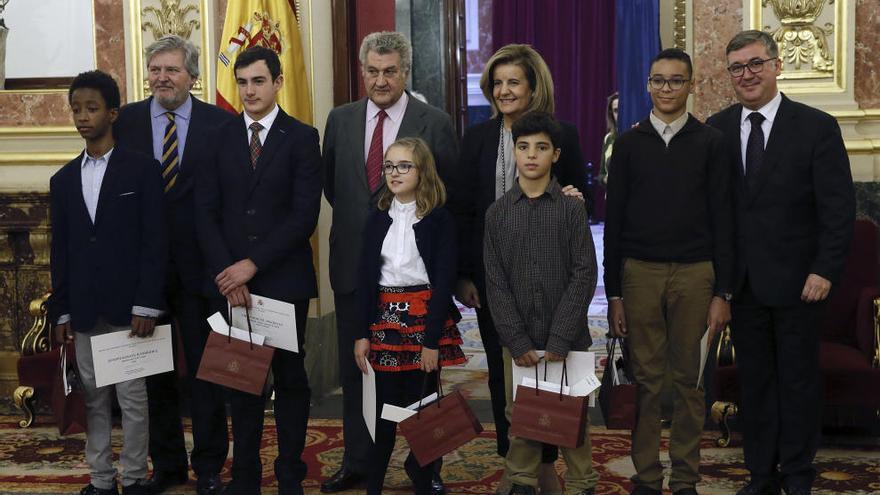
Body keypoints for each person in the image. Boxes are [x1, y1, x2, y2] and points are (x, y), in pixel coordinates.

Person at [706, 30, 855, 495]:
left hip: (799, 284)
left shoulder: (816, 126)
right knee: (756, 385)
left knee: (796, 384)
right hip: (743, 286)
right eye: (736, 67)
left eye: (754, 64)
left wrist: (824, 269)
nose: (746, 75)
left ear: (776, 65)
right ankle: (761, 474)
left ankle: (796, 474)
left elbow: (838, 209)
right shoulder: (716, 128)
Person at [321, 31, 459, 494]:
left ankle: (426, 468)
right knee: (358, 374)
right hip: (356, 273)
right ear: (362, 72)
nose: (381, 80)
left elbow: (447, 194)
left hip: (415, 282)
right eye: (373, 71)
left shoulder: (433, 121)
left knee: (420, 381)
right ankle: (359, 462)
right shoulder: (339, 120)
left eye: (391, 71)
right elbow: (335, 187)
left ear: (405, 72)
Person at [455, 43, 587, 492]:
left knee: (550, 373)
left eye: (514, 82)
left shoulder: (562, 133)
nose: (504, 90)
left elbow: (575, 195)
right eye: (497, 83)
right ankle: (516, 465)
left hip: (550, 278)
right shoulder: (475, 138)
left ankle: (545, 466)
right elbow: (464, 211)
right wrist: (464, 275)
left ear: (533, 87)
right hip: (493, 280)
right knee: (503, 370)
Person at [604, 48, 734, 495]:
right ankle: (646, 476)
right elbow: (613, 223)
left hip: (697, 273)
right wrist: (614, 292)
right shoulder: (628, 144)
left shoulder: (711, 142)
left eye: (675, 81)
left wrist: (724, 292)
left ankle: (684, 479)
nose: (665, 89)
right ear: (647, 85)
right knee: (646, 381)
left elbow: (725, 219)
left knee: (690, 382)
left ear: (690, 85)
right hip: (640, 272)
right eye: (657, 80)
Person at [195, 45, 322, 495]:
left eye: (258, 81)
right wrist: (229, 274)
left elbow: (303, 216)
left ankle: (290, 474)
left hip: (282, 280)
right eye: (243, 81)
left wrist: (253, 264)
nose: (249, 90)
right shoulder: (218, 137)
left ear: (278, 82)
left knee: (290, 381)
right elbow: (205, 212)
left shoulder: (302, 137)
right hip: (231, 285)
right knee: (240, 381)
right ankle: (244, 475)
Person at [113, 34, 235, 495]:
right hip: (144, 274)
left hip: (203, 272)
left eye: (172, 70)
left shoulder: (220, 124)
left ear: (193, 75)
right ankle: (166, 466)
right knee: (154, 374)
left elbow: (227, 199)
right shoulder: (123, 122)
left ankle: (207, 467)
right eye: (155, 69)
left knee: (208, 373)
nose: (162, 78)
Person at [49, 70, 167, 495]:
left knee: (133, 399)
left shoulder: (141, 170)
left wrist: (147, 305)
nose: (82, 117)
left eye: (92, 108)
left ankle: (134, 478)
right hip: (83, 308)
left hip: (129, 310)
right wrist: (59, 309)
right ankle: (100, 480)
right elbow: (59, 252)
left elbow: (155, 242)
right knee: (94, 399)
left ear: (113, 113)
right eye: (76, 109)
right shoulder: (62, 180)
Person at [483, 111, 599, 495]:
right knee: (520, 413)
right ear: (514, 151)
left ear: (556, 154)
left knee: (573, 414)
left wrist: (561, 336)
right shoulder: (498, 214)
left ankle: (583, 483)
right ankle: (520, 482)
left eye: (541, 148)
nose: (531, 155)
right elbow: (495, 283)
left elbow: (584, 273)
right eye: (523, 146)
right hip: (520, 340)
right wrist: (515, 339)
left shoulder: (570, 209)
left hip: (567, 339)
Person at [353, 137, 467, 494]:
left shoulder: (439, 220)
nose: (395, 173)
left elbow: (444, 281)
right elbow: (364, 281)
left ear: (422, 171)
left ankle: (425, 471)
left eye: (404, 166)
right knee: (384, 407)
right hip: (384, 320)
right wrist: (361, 333)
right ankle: (374, 480)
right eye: (389, 166)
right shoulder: (376, 220)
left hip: (424, 322)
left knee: (424, 404)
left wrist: (431, 341)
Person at [598, 92, 618, 186]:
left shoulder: (637, 136)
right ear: (611, 113)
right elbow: (601, 175)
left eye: (622, 109)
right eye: (616, 110)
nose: (619, 114)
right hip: (611, 196)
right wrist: (606, 179)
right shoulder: (608, 138)